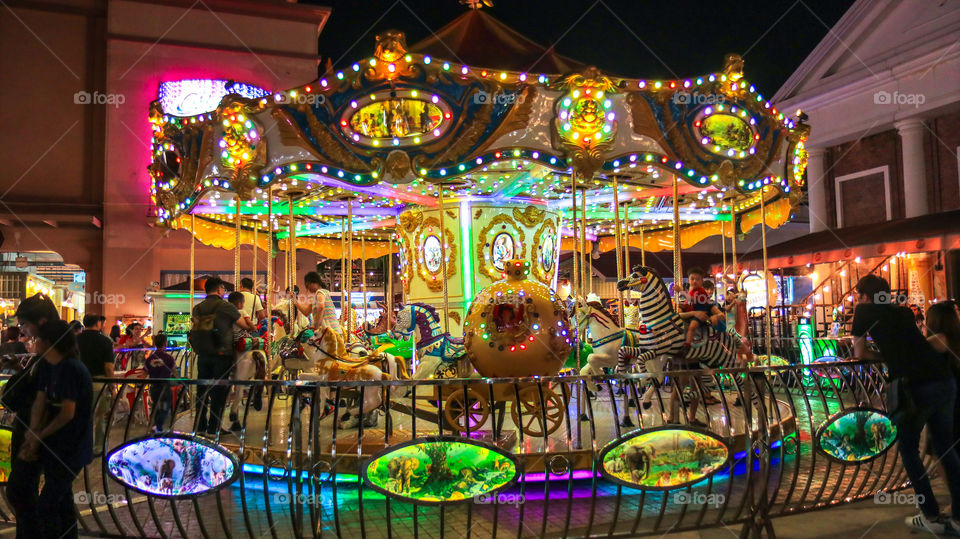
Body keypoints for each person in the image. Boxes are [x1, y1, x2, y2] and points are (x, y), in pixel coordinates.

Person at [852, 275, 960, 534]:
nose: (858, 300)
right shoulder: (902, 312)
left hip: (914, 386)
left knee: (909, 450)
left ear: (865, 296)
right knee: (947, 449)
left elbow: (859, 353)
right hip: (943, 380)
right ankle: (958, 518)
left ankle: (931, 515)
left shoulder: (863, 311)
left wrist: (884, 357)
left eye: (858, 295)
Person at [9, 319, 92, 539]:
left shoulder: (71, 368)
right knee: (59, 502)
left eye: (36, 339)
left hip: (71, 447)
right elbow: (40, 401)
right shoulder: (48, 365)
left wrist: (38, 434)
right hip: (53, 445)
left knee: (48, 504)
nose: (33, 343)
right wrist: (33, 433)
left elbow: (67, 412)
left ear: (48, 342)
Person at [191, 277, 254, 437]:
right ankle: (213, 428)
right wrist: (249, 322)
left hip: (202, 354)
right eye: (223, 289)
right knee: (219, 391)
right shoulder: (226, 306)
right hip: (222, 354)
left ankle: (200, 426)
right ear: (219, 289)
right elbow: (244, 326)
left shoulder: (197, 308)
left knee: (202, 390)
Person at [77, 313, 114, 451]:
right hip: (99, 382)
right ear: (98, 324)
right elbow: (108, 367)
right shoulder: (105, 341)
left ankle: (82, 444)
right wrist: (112, 386)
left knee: (82, 415)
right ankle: (98, 446)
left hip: (79, 382)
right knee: (99, 417)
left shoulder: (75, 340)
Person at [925, 302, 960, 444]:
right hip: (954, 395)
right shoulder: (955, 340)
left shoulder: (938, 340)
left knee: (942, 447)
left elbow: (914, 352)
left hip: (944, 399)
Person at [146, 333, 176, 433]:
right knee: (165, 408)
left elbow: (144, 372)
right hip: (165, 387)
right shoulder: (169, 358)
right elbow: (174, 372)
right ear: (165, 343)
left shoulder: (150, 358)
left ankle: (155, 425)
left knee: (156, 407)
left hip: (153, 387)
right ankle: (157, 427)